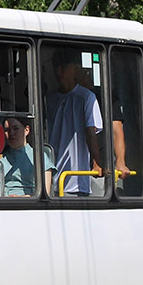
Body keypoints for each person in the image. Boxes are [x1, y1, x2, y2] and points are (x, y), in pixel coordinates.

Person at [47, 50, 104, 196]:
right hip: (50, 180)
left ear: (75, 68)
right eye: (56, 67)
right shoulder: (49, 99)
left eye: (63, 67)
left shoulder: (86, 97)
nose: (58, 72)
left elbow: (91, 133)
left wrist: (97, 164)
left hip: (76, 182)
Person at [2, 117, 52, 197]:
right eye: (7, 130)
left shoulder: (40, 157)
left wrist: (24, 198)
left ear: (26, 130)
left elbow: (44, 194)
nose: (11, 133)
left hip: (29, 202)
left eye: (16, 128)